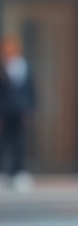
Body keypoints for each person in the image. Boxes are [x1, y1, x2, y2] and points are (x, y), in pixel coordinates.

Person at [0, 34, 35, 190]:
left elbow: (31, 90)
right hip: (4, 110)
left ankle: (18, 173)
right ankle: (3, 173)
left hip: (20, 110)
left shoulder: (24, 66)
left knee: (19, 142)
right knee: (3, 142)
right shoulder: (2, 66)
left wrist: (30, 108)